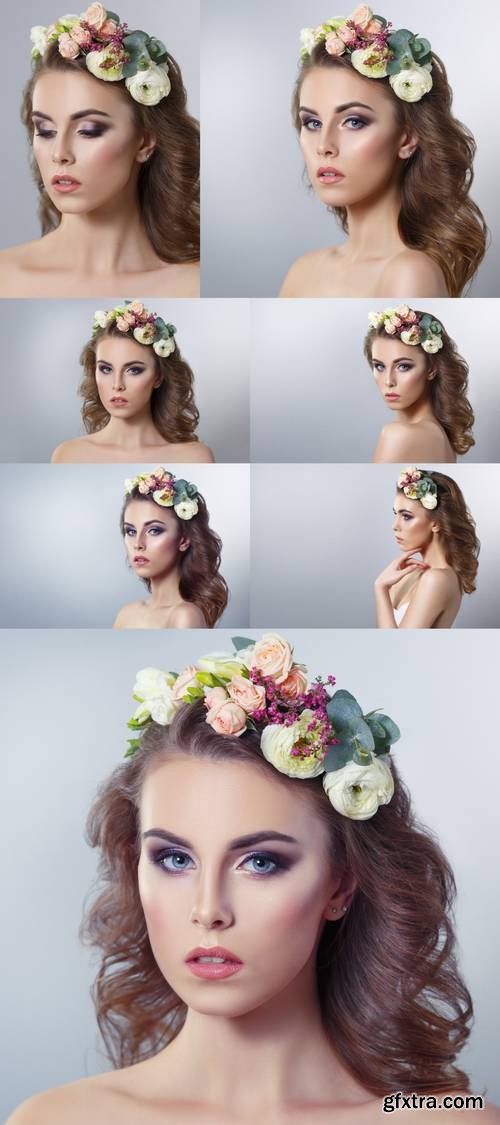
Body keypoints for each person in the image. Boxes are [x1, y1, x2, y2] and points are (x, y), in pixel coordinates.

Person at [7, 633, 499, 1124]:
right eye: (175, 859)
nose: (208, 910)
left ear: (341, 886)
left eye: (261, 862)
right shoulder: (54, 1118)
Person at [280, 7, 487, 298]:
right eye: (312, 122)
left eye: (354, 121)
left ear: (407, 137)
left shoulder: (410, 273)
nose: (324, 145)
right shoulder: (302, 270)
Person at [0, 6, 199, 297]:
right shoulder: (6, 277)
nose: (59, 154)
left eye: (89, 130)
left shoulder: (192, 286)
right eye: (45, 130)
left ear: (144, 141)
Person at [51, 301, 214, 464]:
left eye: (134, 370)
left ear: (158, 377)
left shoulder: (194, 457)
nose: (117, 385)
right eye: (106, 369)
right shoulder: (68, 456)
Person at [113, 466, 228, 629]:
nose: (138, 544)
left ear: (183, 540)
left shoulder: (185, 615)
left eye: (154, 530)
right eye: (130, 531)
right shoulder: (126, 613)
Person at [365, 306, 474, 464]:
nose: (388, 381)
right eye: (379, 366)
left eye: (403, 366)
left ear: (431, 369)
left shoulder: (398, 435)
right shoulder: (440, 435)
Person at [375, 467, 479, 629]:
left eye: (406, 516)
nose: (394, 526)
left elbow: (395, 648)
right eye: (395, 514)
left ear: (436, 522)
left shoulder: (438, 579)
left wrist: (380, 587)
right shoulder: (408, 574)